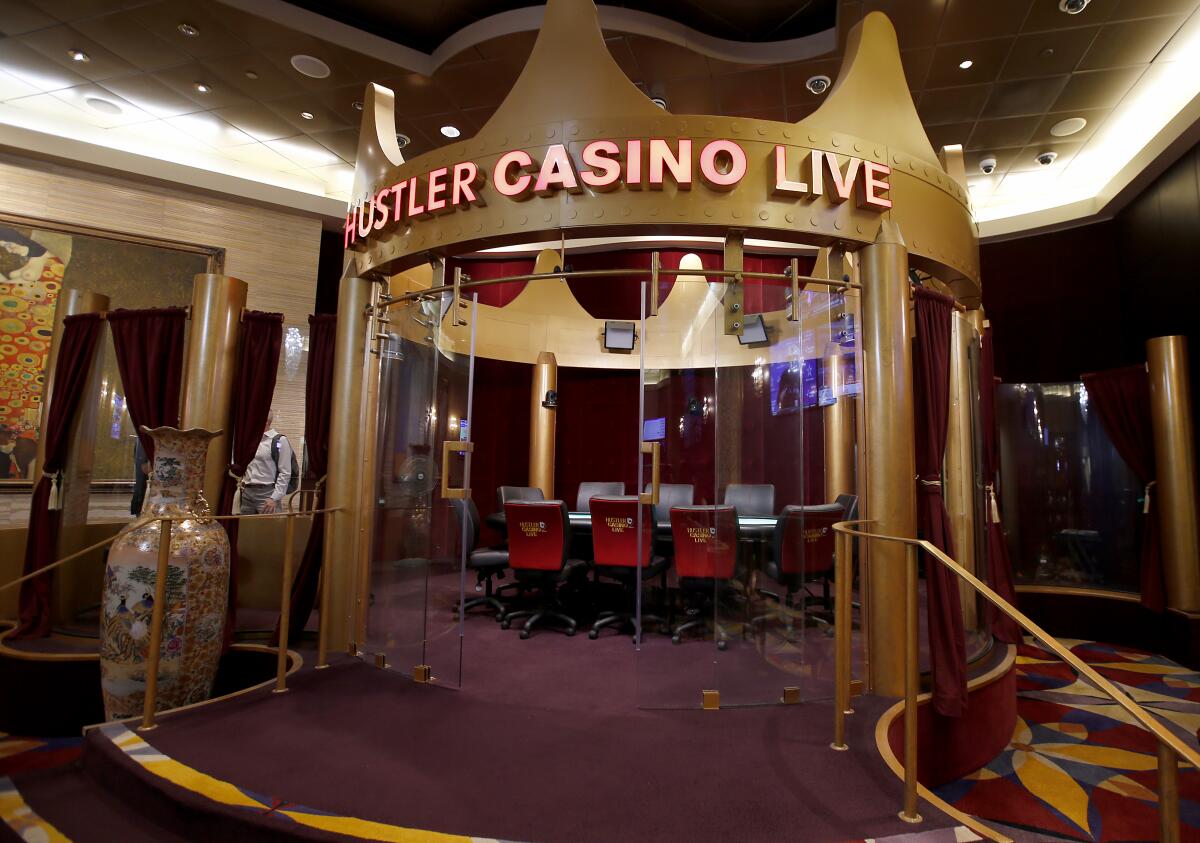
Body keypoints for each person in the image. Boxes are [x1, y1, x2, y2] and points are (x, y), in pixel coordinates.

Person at [240, 410, 293, 515]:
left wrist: (274, 498)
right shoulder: (249, 440)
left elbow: (285, 472)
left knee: (269, 529)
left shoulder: (279, 440)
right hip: (246, 493)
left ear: (265, 422)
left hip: (267, 493)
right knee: (245, 529)